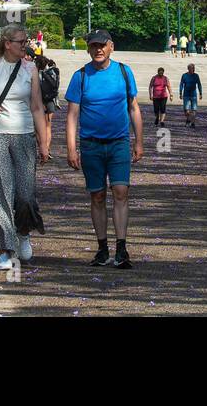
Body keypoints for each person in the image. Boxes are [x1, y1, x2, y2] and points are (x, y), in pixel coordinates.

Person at [0, 23, 49, 271]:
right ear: (7, 44)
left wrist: (43, 140)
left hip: (24, 134)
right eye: (21, 42)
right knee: (2, 191)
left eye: (26, 41)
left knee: (25, 193)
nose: (26, 45)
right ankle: (6, 248)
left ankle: (23, 231)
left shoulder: (31, 68)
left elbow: (37, 106)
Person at [65, 30, 142, 269]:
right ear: (88, 49)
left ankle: (121, 247)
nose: (98, 49)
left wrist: (139, 141)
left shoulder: (123, 72)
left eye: (102, 45)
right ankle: (102, 248)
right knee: (97, 196)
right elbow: (72, 115)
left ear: (111, 47)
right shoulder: (80, 76)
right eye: (93, 46)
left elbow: (134, 108)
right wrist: (71, 148)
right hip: (91, 145)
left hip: (119, 143)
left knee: (121, 191)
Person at [35, 54, 61, 132]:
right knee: (48, 126)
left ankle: (42, 144)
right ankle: (46, 144)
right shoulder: (53, 71)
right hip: (51, 100)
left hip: (41, 102)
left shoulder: (38, 73)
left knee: (39, 127)